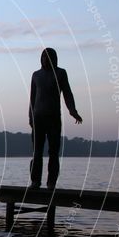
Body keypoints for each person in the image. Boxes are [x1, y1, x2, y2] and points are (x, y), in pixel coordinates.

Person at [28, 48, 82, 189]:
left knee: (53, 152)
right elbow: (32, 99)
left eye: (48, 57)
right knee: (37, 152)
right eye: (43, 57)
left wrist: (72, 110)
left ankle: (51, 182)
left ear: (54, 58)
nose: (45, 59)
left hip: (53, 118)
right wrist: (30, 117)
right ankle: (35, 181)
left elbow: (67, 93)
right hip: (38, 118)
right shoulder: (36, 75)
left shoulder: (60, 73)